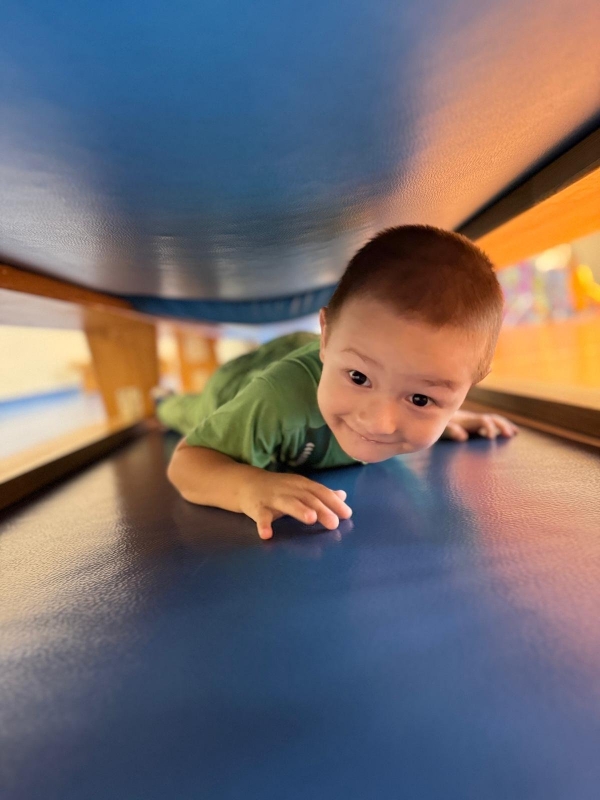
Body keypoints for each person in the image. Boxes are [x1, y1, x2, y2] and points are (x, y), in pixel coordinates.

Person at [160, 225, 517, 540]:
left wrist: (448, 419)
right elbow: (187, 463)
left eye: (421, 399)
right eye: (359, 378)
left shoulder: (384, 364)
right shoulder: (277, 400)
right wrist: (249, 486)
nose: (378, 423)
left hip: (311, 350)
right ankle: (163, 399)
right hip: (234, 385)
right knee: (185, 411)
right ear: (327, 339)